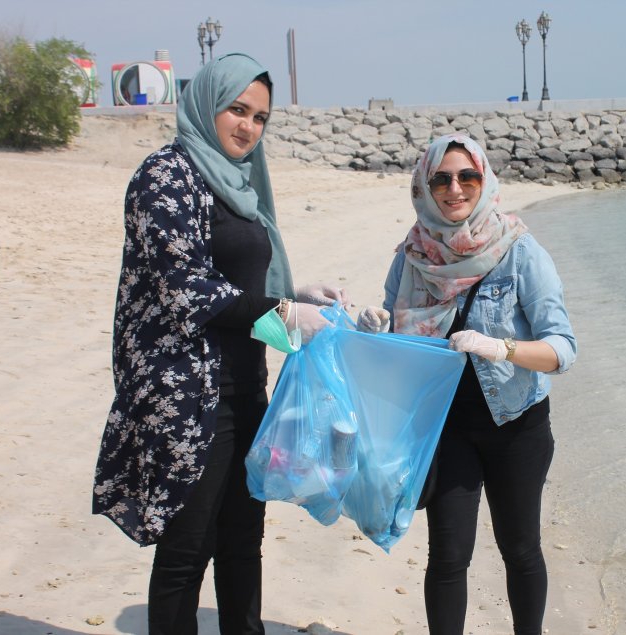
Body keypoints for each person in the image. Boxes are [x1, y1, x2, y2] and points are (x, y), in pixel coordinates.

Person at [92, 53, 347, 635]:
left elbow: (239, 281)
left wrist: (294, 291)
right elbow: (187, 290)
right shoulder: (166, 175)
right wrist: (284, 311)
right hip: (187, 395)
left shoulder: (242, 182)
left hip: (243, 387)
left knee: (241, 540)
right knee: (188, 548)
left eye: (260, 118)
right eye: (237, 110)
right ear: (207, 104)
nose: (248, 127)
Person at [357, 133, 577, 634]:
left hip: (516, 426)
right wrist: (376, 329)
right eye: (442, 179)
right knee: (449, 555)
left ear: (485, 179)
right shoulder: (412, 255)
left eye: (467, 176)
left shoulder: (520, 251)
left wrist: (502, 348)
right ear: (424, 186)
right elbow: (395, 354)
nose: (455, 189)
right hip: (446, 430)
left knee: (520, 548)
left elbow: (563, 349)